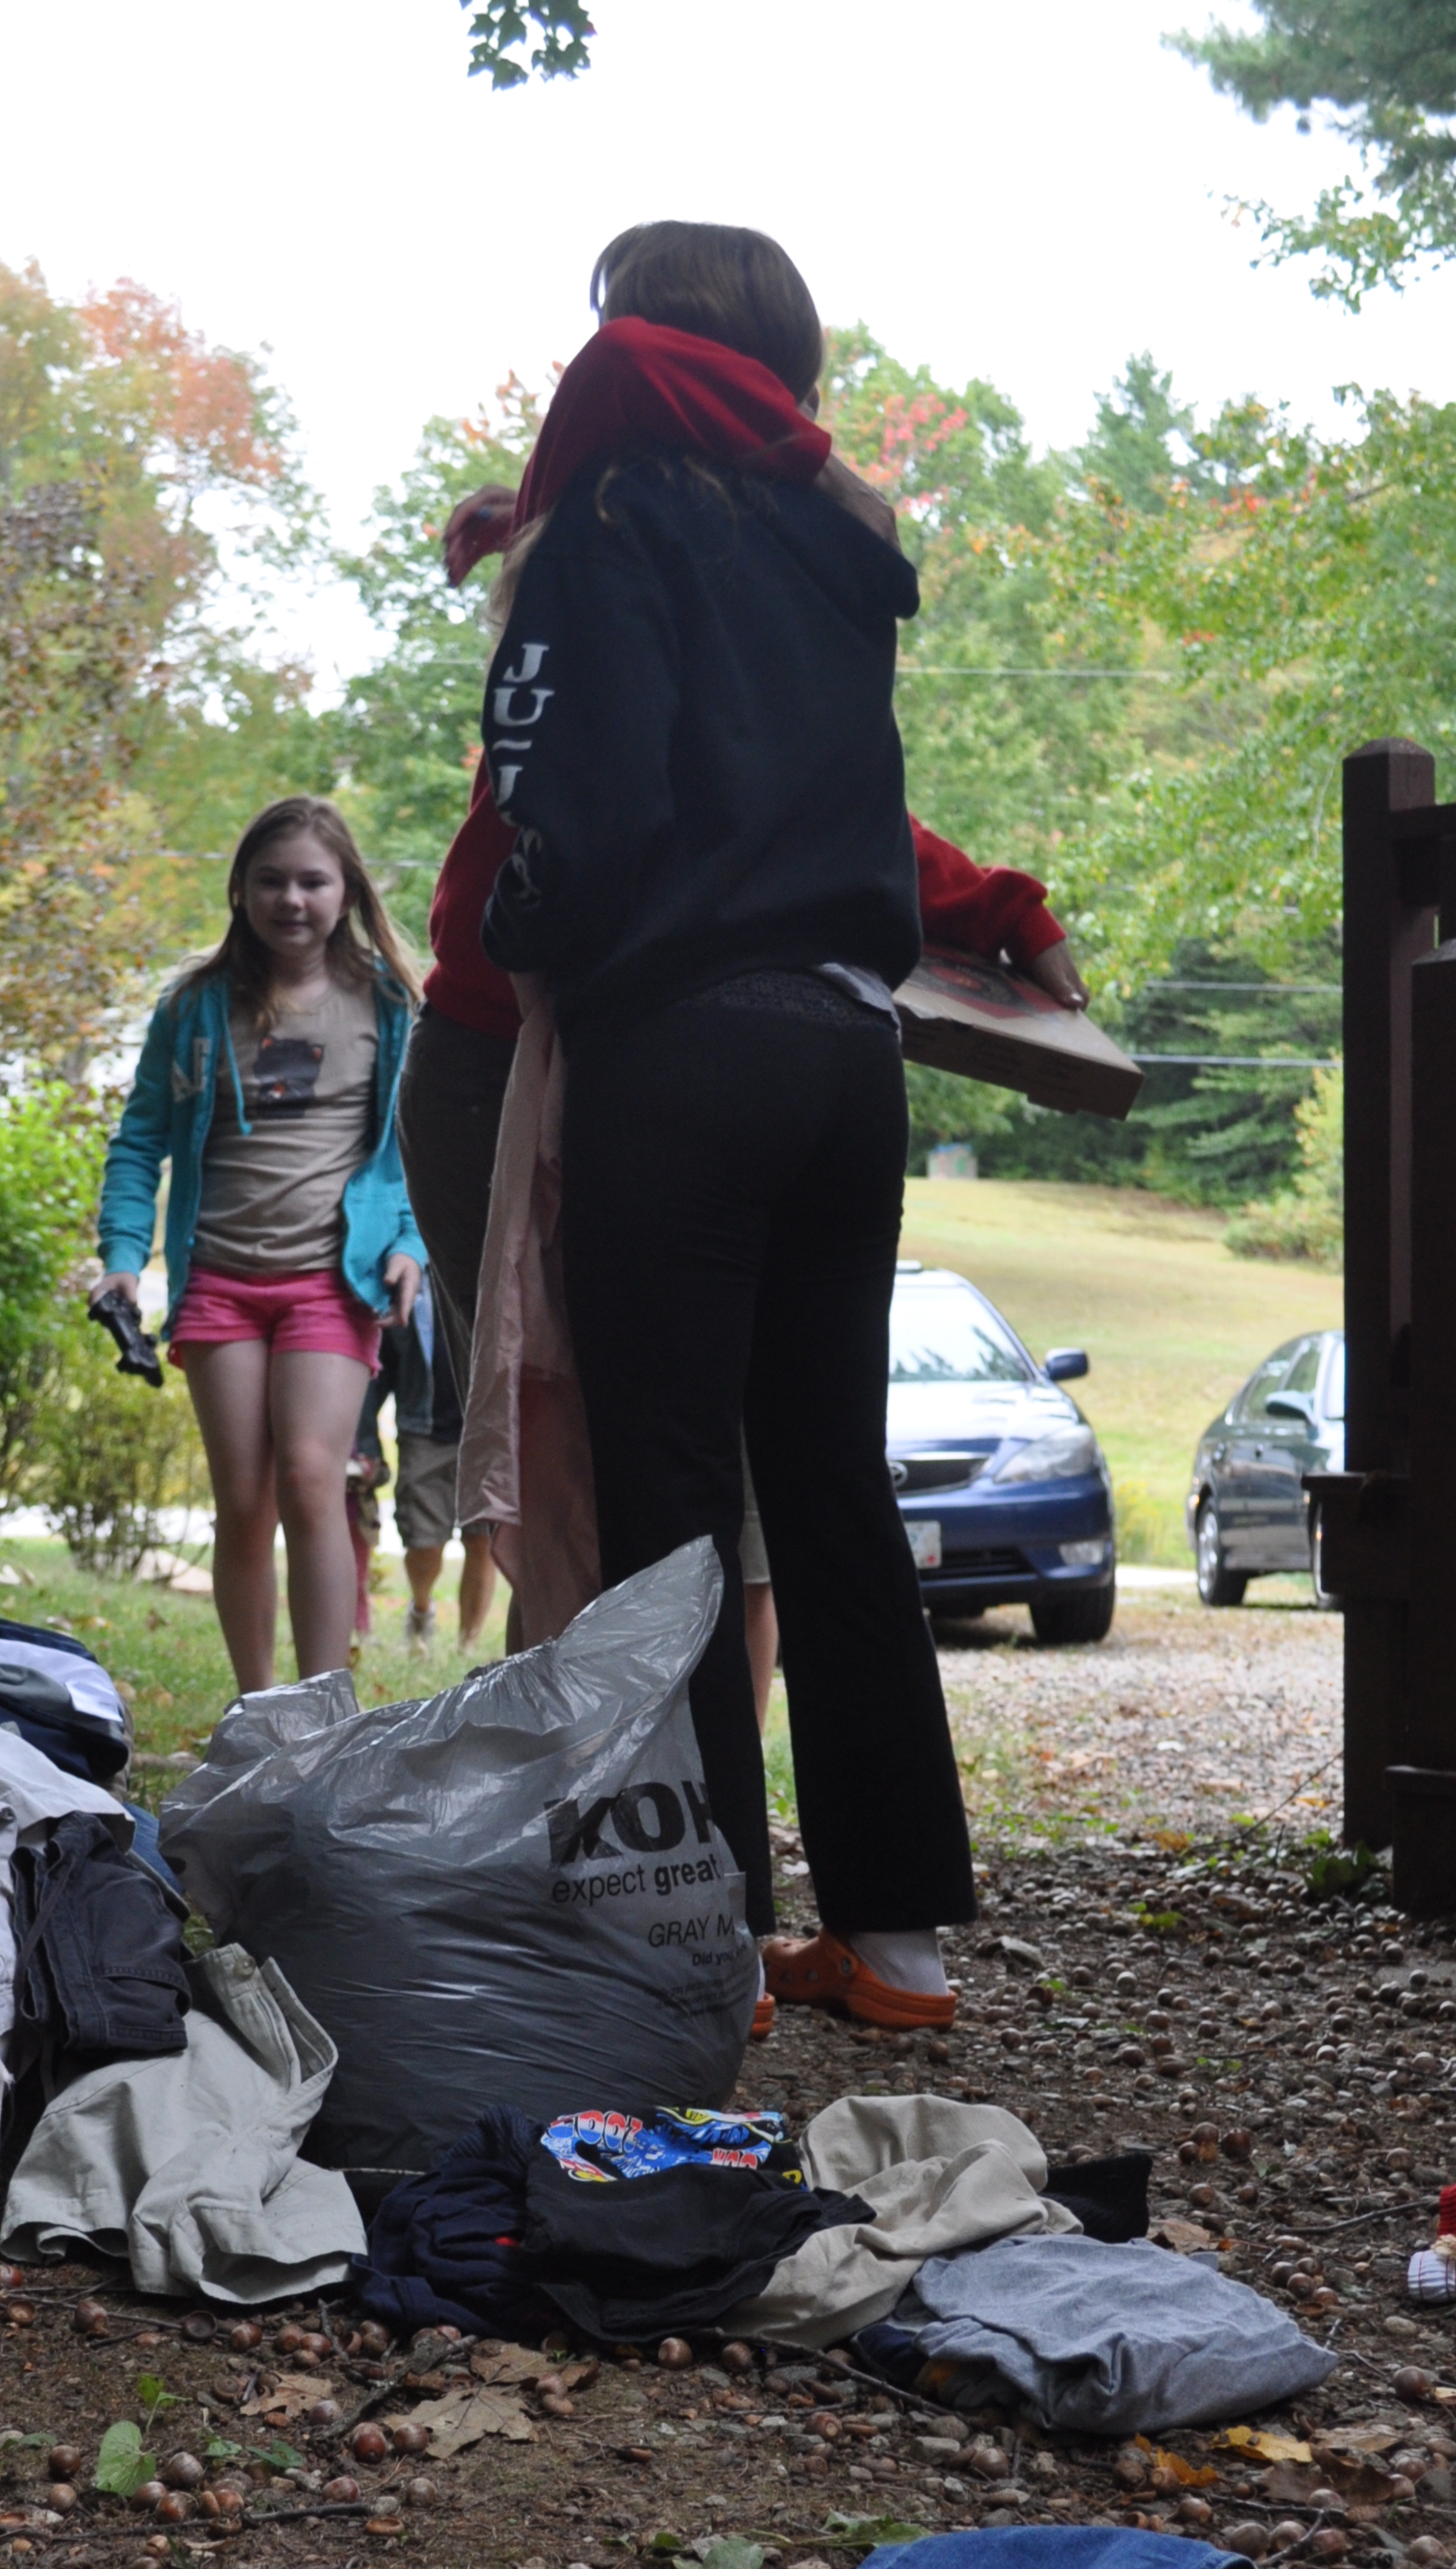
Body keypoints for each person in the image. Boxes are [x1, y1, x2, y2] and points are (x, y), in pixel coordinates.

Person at [476, 220, 1088, 2035]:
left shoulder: (608, 526)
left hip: (681, 1042)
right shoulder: (831, 559)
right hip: (847, 1050)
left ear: (645, 345)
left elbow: (583, 791)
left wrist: (527, 928)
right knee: (827, 1491)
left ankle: (707, 1944)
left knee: (670, 1500)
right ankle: (894, 1946)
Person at [90, 800, 422, 1693]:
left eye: (313, 880)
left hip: (330, 1280)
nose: (292, 899)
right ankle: (259, 1708)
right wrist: (124, 1253)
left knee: (315, 1477)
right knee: (244, 1502)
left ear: (346, 889)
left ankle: (321, 1714)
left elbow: (420, 1144)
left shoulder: (387, 1003)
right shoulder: (196, 1006)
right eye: (271, 880)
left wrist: (410, 1244)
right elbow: (139, 1139)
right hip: (220, 1284)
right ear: (240, 890)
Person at [377, 1276, 498, 1652]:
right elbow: (383, 1362)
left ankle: (468, 1644)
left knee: (484, 1539)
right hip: (424, 1429)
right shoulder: (411, 1277)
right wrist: (363, 1440)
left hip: (485, 1427)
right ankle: (422, 1610)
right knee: (423, 1538)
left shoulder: (493, 1270)